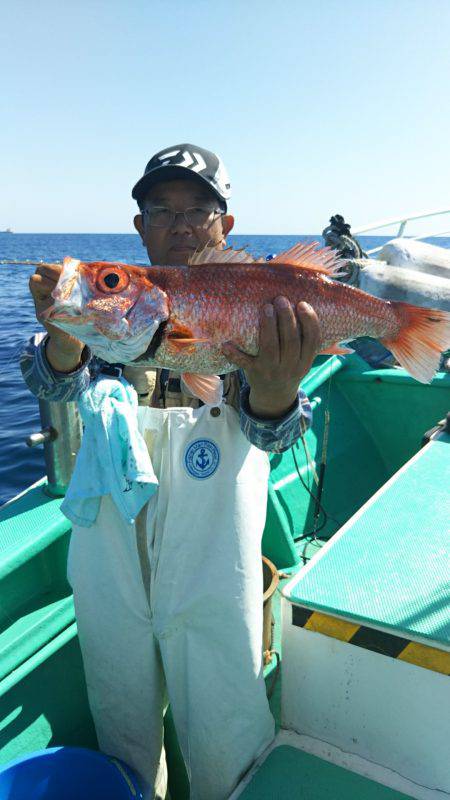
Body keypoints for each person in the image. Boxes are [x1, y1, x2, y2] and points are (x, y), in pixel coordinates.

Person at [20, 144, 321, 800]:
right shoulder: (109, 307)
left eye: (199, 211)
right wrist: (65, 336)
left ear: (225, 226)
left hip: (214, 553)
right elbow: (48, 381)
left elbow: (279, 434)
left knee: (225, 716)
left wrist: (275, 389)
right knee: (118, 709)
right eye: (162, 210)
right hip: (109, 551)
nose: (181, 225)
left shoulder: (251, 302)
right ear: (140, 226)